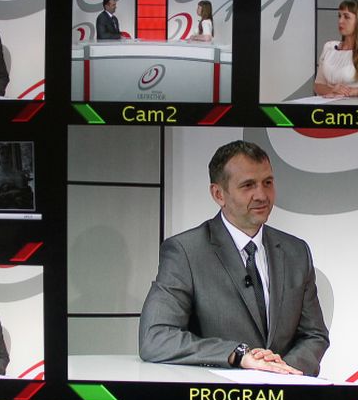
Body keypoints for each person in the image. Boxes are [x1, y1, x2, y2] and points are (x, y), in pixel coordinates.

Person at [139, 140, 330, 376]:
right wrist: (238, 355)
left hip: (283, 394)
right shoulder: (185, 252)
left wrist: (280, 371)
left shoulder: (296, 252)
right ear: (218, 194)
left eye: (267, 183)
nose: (262, 195)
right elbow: (155, 338)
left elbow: (314, 335)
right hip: (214, 395)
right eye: (248, 185)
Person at [0, 144, 33, 209]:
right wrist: (6, 195)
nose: (5, 155)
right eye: (2, 153)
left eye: (8, 153)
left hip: (15, 205)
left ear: (11, 156)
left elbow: (20, 193)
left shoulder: (18, 174)